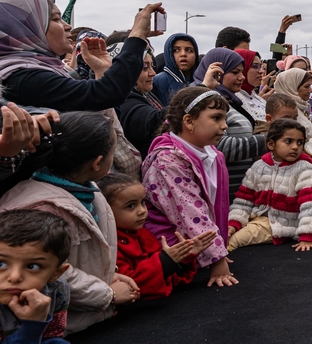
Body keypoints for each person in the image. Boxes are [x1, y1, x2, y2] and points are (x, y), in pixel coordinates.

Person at [0, 112, 140, 333]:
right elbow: (49, 270)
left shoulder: (85, 192)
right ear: (97, 163)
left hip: (84, 317)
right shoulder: (41, 209)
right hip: (47, 328)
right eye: (112, 151)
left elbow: (85, 253)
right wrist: (107, 294)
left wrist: (107, 275)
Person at [0, 0, 164, 176]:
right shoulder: (23, 78)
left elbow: (98, 110)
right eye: (55, 19)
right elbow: (106, 94)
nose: (67, 25)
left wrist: (103, 71)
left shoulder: (47, 70)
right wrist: (136, 36)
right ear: (26, 30)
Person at [141, 87, 238, 288]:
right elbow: (192, 212)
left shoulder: (210, 153)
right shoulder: (167, 161)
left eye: (224, 118)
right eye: (216, 118)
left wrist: (219, 249)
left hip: (197, 246)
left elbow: (214, 206)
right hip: (170, 250)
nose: (224, 126)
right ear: (189, 121)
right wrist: (217, 260)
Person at [97, 173, 213, 300]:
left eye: (142, 202)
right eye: (131, 206)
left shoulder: (144, 235)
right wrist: (166, 261)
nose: (142, 210)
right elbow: (129, 287)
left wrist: (182, 260)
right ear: (106, 209)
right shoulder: (106, 245)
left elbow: (170, 281)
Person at [227, 118, 312, 252]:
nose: (295, 146)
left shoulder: (303, 168)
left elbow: (310, 204)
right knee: (222, 232)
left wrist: (307, 235)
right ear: (271, 145)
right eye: (288, 141)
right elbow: (244, 200)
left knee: (234, 240)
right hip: (255, 218)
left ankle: (218, 259)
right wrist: (233, 223)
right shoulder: (258, 166)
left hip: (280, 225)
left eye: (300, 142)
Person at [193, 49, 268, 197]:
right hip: (223, 193)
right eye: (235, 72)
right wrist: (268, 140)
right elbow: (219, 147)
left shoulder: (230, 100)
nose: (242, 77)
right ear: (215, 74)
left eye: (242, 71)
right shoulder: (207, 102)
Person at [0, 209, 71, 343]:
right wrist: (32, 326)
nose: (15, 277)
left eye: (32, 266)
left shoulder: (57, 288)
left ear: (56, 273)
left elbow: (52, 336)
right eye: (1, 264)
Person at [117, 47, 172, 157]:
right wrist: (194, 97)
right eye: (144, 67)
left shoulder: (145, 94)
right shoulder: (123, 100)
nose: (153, 73)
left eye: (152, 66)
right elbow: (154, 122)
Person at [151, 33, 199, 106]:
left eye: (189, 50)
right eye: (176, 50)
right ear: (168, 54)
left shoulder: (202, 80)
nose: (183, 54)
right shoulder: (157, 81)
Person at [272, 68, 312, 138]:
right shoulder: (285, 110)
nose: (310, 90)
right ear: (292, 87)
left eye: (310, 86)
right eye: (306, 86)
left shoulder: (301, 107)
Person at [233, 49, 269, 123]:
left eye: (261, 66)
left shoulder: (253, 96)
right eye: (255, 66)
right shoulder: (234, 100)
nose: (261, 71)